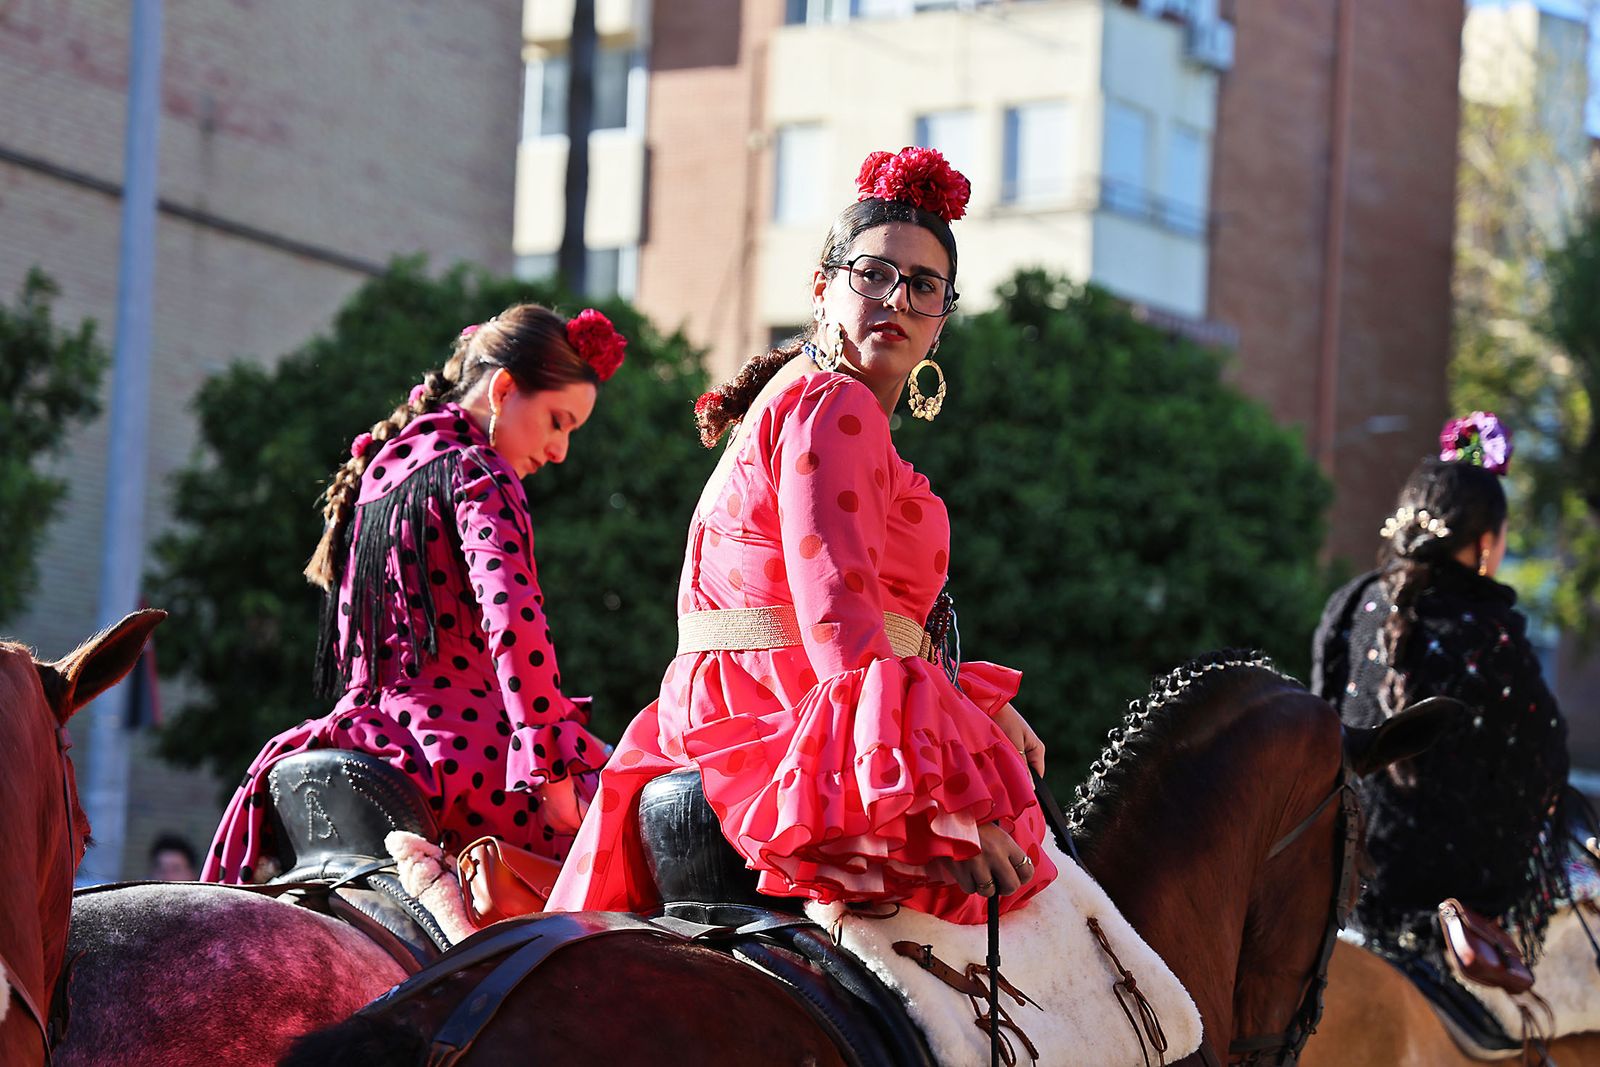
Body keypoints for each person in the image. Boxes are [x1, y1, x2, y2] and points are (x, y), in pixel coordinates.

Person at [547, 147, 1054, 924]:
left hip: (745, 701)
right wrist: (940, 805)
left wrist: (962, 699)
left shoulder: (802, 400)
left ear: (942, 321)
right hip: (777, 712)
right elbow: (837, 618)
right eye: (873, 273)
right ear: (823, 289)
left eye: (923, 285)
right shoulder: (835, 406)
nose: (896, 297)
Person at [203, 304, 625, 883]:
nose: (560, 451)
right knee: (641, 813)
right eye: (558, 421)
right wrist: (551, 775)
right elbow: (513, 624)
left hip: (365, 728)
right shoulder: (480, 471)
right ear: (504, 389)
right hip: (464, 751)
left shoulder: (383, 470)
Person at [1311, 412, 1570, 957]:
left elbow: (1318, 737)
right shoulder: (1491, 637)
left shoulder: (1350, 606)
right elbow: (1541, 768)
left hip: (1333, 899)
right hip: (1443, 924)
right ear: (1483, 544)